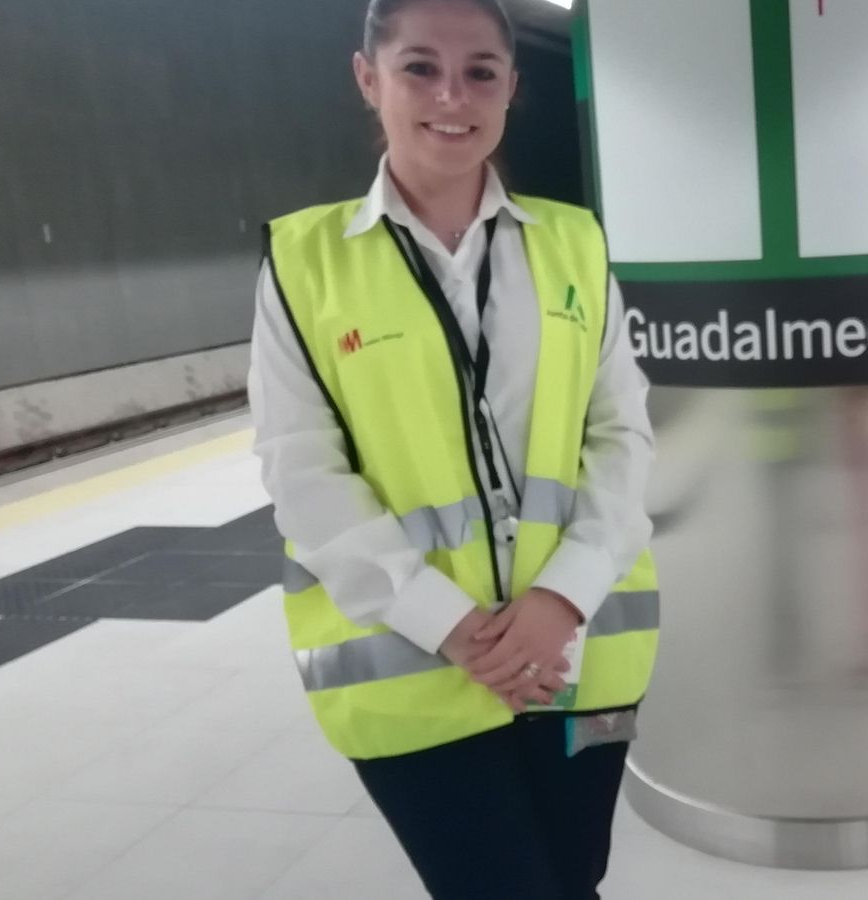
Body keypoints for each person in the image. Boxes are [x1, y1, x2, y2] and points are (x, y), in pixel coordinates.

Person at [247, 0, 659, 896]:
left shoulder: (575, 244)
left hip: (578, 656)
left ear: (511, 87)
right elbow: (301, 468)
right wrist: (457, 630)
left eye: (480, 71)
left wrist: (562, 597)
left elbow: (622, 432)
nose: (451, 95)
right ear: (370, 79)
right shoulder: (305, 261)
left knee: (573, 878)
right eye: (419, 67)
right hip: (411, 664)